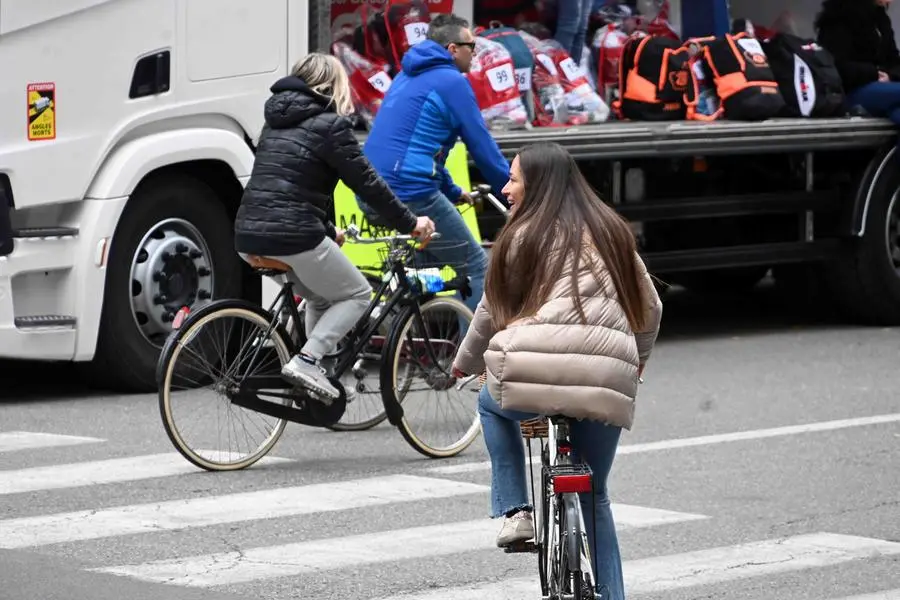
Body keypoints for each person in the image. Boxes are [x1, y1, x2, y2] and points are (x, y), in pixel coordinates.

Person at [451, 142, 663, 600]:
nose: (506, 189)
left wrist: (465, 361)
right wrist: (637, 359)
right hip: (608, 374)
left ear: (538, 185)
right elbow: (651, 307)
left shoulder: (520, 236)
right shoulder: (612, 231)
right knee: (596, 498)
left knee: (489, 405)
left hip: (533, 366)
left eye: (513, 179)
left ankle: (517, 510)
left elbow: (490, 313)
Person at [234, 53, 435, 402]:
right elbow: (368, 184)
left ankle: (316, 377)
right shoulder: (331, 125)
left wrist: (328, 230)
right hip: (292, 233)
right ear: (332, 85)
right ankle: (308, 361)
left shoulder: (274, 123)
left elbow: (295, 184)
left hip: (248, 232)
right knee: (357, 293)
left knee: (321, 295)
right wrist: (410, 222)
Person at [359, 13, 510, 314]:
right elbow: (481, 146)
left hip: (371, 189)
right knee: (478, 267)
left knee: (438, 256)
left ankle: (397, 323)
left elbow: (424, 147)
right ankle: (471, 360)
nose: (476, 52)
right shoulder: (452, 82)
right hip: (409, 192)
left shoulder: (407, 75)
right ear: (453, 49)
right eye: (471, 45)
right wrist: (512, 190)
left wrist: (453, 191)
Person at [816, 0, 900, 124]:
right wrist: (874, 73)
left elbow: (894, 59)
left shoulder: (881, 18)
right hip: (850, 92)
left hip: (884, 87)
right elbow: (836, 66)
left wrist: (890, 75)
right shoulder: (839, 17)